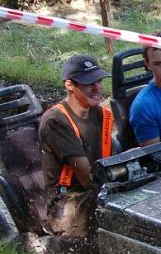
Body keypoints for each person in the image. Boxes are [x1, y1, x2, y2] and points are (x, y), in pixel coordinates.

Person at [38, 54, 113, 241]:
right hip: (66, 205)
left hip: (95, 189)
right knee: (114, 204)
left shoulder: (99, 113)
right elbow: (86, 178)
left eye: (98, 81)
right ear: (70, 85)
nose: (97, 88)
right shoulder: (56, 120)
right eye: (89, 83)